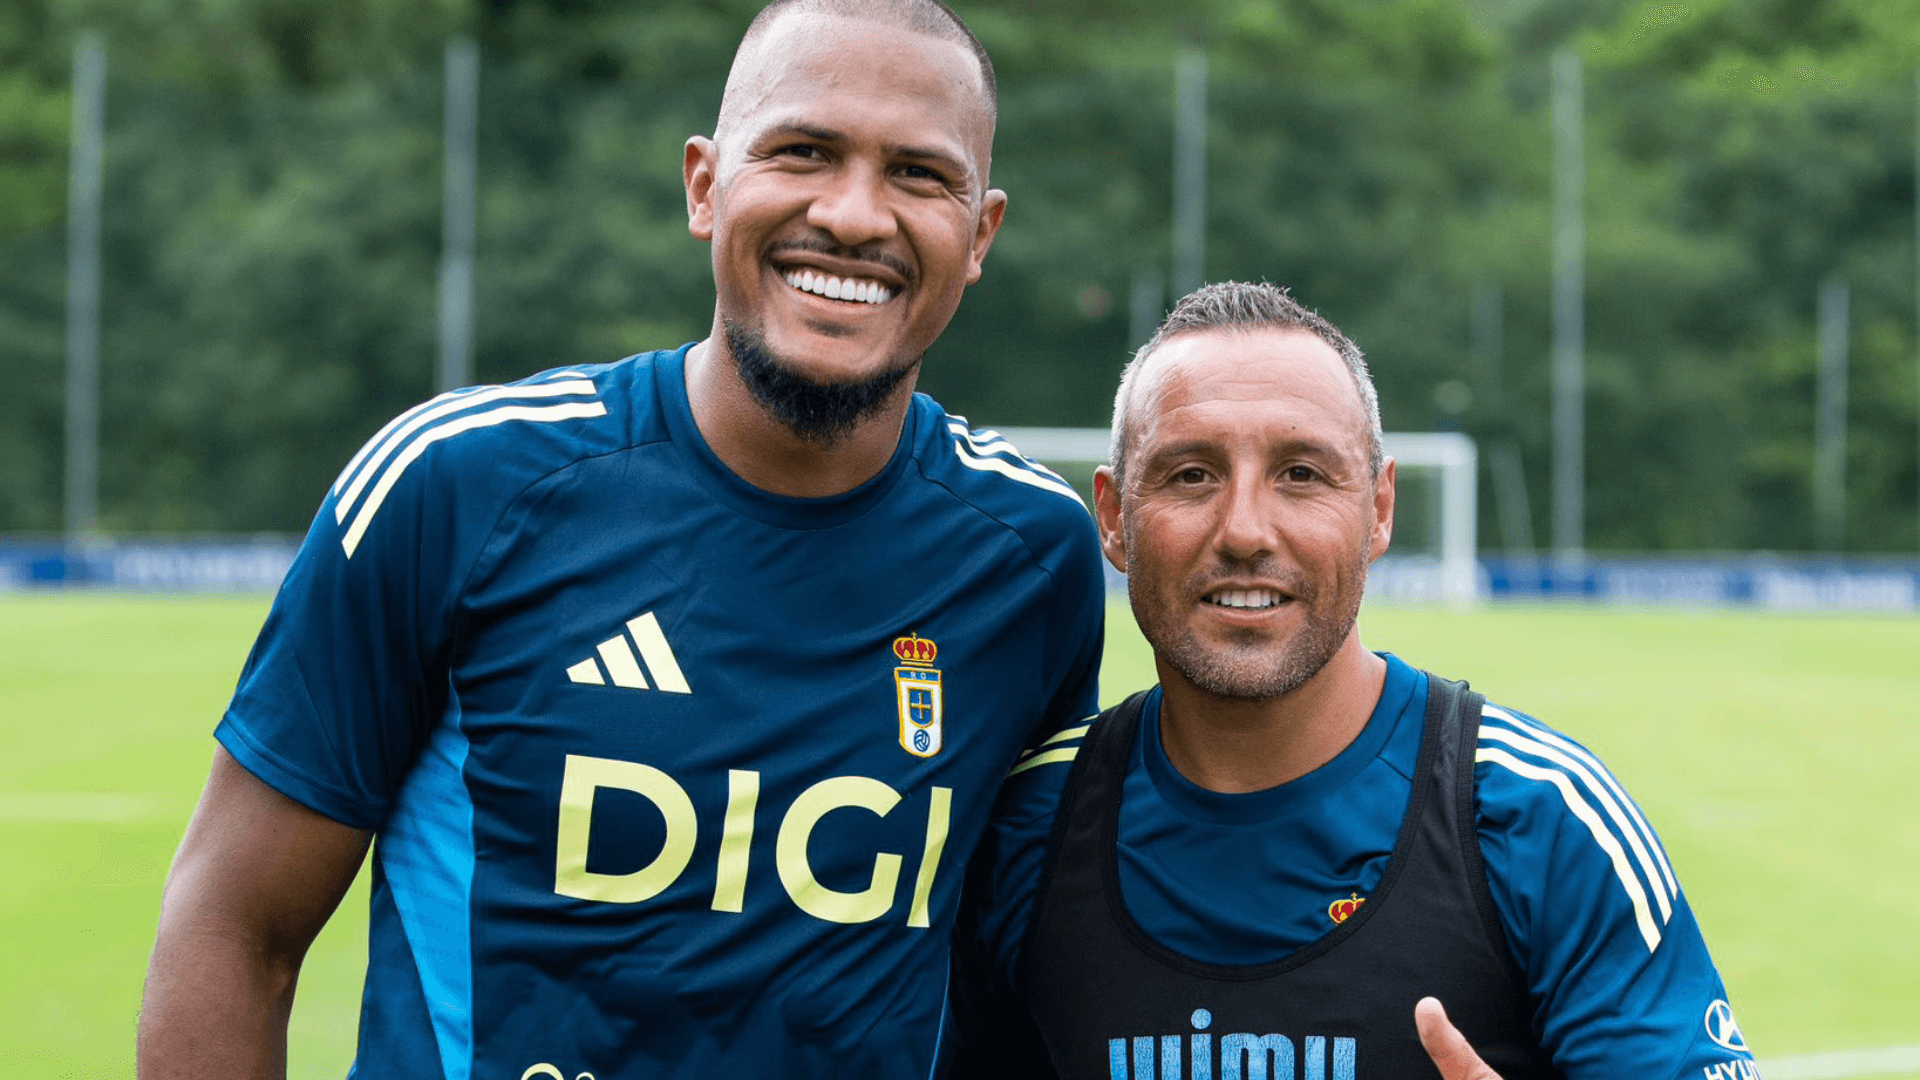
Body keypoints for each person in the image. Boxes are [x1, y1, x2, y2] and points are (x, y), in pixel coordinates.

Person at [136, 3, 1106, 1077]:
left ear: (981, 236)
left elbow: (1011, 968)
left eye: (920, 175)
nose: (853, 213)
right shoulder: (455, 486)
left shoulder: (1033, 557)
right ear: (705, 185)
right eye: (802, 152)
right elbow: (235, 928)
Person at [963, 282, 1758, 1080]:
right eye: (1191, 475)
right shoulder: (1017, 825)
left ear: (1379, 511)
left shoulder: (1538, 819)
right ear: (1112, 517)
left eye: (1302, 473)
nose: (1244, 530)